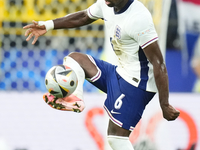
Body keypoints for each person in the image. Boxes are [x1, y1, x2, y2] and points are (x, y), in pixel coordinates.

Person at [23, 0, 180, 149]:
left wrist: (164, 104)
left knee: (116, 139)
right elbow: (84, 16)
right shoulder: (107, 4)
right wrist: (48, 25)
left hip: (138, 83)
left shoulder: (139, 18)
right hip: (119, 72)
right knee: (74, 59)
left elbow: (158, 63)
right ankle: (76, 99)